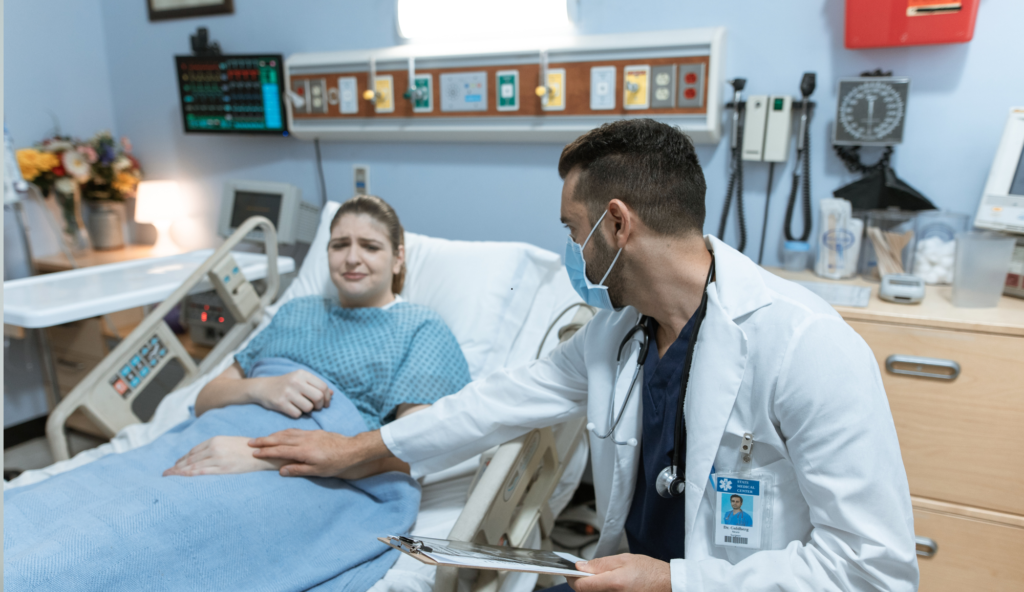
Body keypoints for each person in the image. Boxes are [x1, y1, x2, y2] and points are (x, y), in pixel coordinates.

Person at [246, 120, 917, 592]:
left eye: (575, 231)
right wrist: (355, 450)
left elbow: (875, 573)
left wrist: (678, 581)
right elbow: (493, 404)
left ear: (617, 223)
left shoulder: (808, 348)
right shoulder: (617, 335)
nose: (575, 251)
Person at [4, 196, 473, 590]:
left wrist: (265, 455)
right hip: (206, 438)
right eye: (339, 244)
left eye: (370, 246)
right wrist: (263, 387)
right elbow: (207, 397)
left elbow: (414, 443)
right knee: (70, 504)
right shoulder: (296, 312)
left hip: (312, 473)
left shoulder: (421, 329)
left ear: (397, 258)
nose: (352, 257)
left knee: (138, 530)